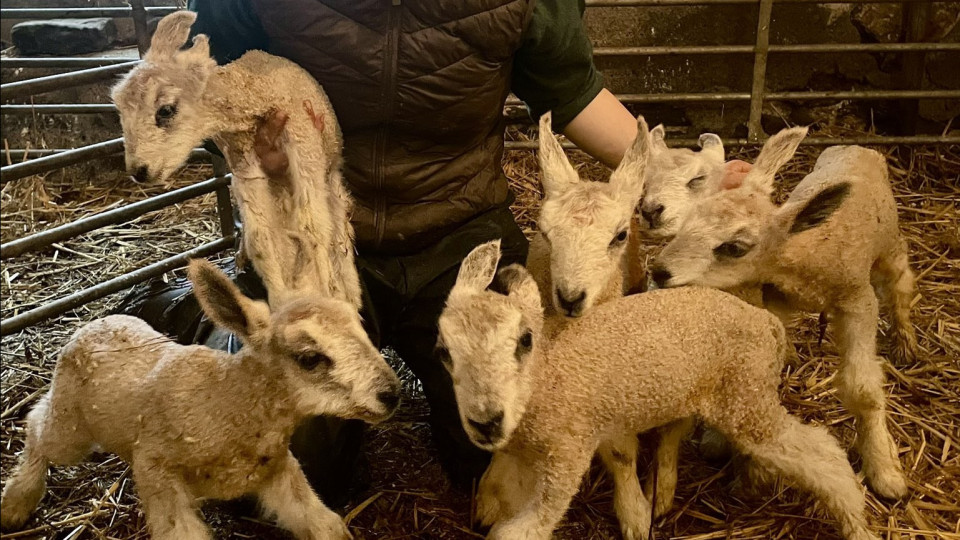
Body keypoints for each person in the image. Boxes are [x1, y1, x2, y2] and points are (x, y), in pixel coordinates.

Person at [117, 0, 748, 503]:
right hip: (313, 234)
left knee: (503, 441)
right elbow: (192, 102)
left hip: (458, 230)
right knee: (273, 461)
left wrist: (685, 175)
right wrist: (252, 152)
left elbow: (572, 91)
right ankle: (198, 315)